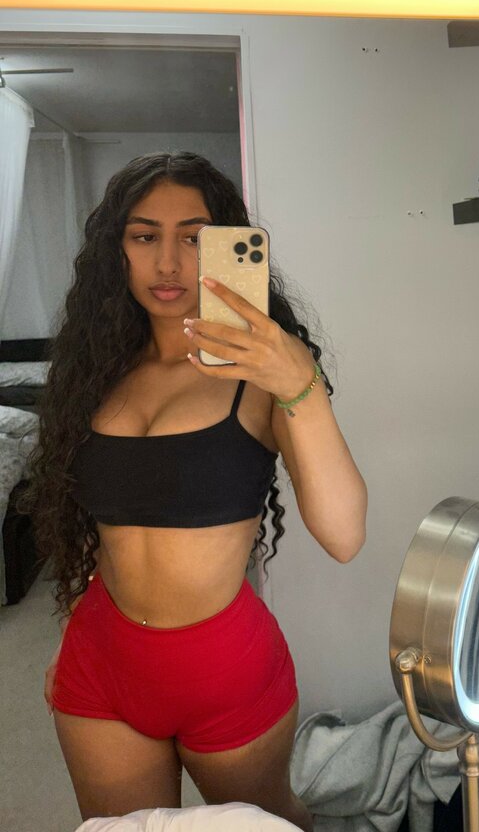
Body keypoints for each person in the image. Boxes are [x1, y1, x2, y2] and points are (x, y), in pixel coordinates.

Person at [23, 152, 367, 832]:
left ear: (225, 245)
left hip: (224, 673)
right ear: (117, 249)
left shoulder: (263, 376)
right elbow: (102, 525)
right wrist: (74, 630)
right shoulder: (96, 373)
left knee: (271, 823)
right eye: (144, 235)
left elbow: (344, 534)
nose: (168, 263)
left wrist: (300, 383)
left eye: (193, 237)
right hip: (102, 663)